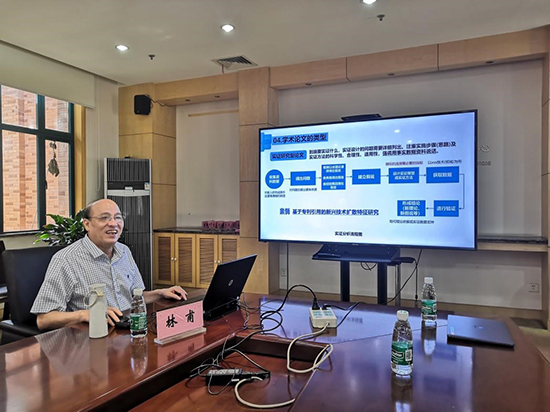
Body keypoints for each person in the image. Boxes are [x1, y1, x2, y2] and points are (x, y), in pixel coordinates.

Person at [31, 199, 187, 331]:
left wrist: (160, 293)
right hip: (90, 339)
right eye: (104, 218)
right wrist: (85, 314)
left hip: (128, 331)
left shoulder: (124, 251)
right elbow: (44, 319)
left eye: (118, 218)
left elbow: (134, 297)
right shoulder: (66, 260)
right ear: (87, 224)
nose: (113, 224)